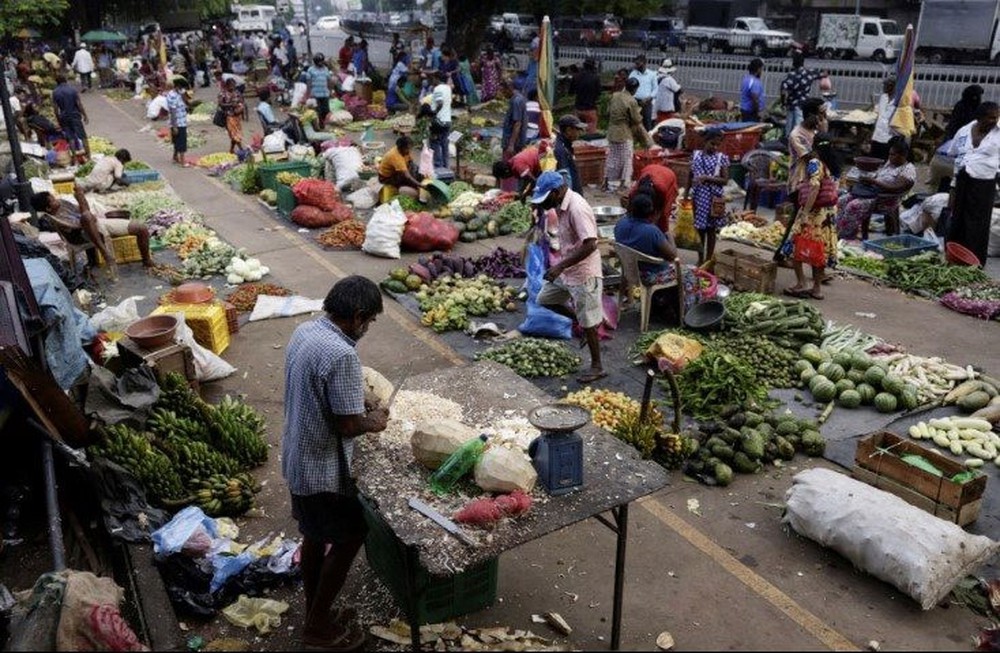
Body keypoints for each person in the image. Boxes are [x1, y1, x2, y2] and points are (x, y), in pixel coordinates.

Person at [281, 275, 388, 652]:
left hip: (297, 456)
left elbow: (321, 392)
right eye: (370, 321)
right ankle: (316, 630)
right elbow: (347, 425)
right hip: (322, 466)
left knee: (314, 533)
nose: (368, 328)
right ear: (357, 316)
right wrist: (372, 421)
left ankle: (317, 611)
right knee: (349, 536)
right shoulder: (342, 354)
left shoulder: (306, 331)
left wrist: (360, 403)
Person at [531, 172, 606, 384]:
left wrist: (560, 266)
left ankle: (597, 366)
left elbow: (591, 244)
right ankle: (579, 322)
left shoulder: (577, 208)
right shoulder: (560, 205)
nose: (544, 204)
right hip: (568, 270)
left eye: (545, 199)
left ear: (556, 192)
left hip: (584, 272)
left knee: (589, 321)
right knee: (546, 298)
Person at [31, 185, 153, 272]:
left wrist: (81, 199)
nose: (56, 199)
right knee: (87, 217)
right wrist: (80, 197)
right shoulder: (56, 218)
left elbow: (85, 211)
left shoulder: (62, 203)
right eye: (52, 200)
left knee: (141, 228)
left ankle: (147, 261)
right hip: (82, 235)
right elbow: (84, 222)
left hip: (98, 225)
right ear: (48, 208)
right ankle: (104, 251)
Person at [613, 191, 699, 316]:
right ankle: (688, 314)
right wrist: (669, 235)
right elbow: (673, 256)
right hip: (649, 276)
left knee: (675, 270)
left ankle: (660, 304)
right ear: (651, 212)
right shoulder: (651, 231)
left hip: (629, 272)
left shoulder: (621, 224)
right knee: (689, 272)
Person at [781, 133, 840, 300]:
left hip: (813, 213)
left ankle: (801, 283)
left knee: (795, 245)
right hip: (827, 214)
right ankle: (817, 288)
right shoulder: (832, 164)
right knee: (819, 251)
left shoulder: (815, 163)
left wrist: (805, 212)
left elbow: (814, 187)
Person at [947, 101, 1000, 267]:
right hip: (963, 180)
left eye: (996, 117)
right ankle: (955, 258)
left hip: (984, 184)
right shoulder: (964, 130)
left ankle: (974, 263)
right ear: (980, 118)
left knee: (978, 224)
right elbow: (953, 152)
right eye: (991, 117)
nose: (994, 120)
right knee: (958, 219)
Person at [836, 139, 915, 240]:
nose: (889, 157)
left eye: (892, 155)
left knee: (853, 206)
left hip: (884, 199)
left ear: (902, 156)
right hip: (870, 193)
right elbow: (879, 175)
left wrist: (874, 182)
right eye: (889, 154)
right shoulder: (891, 163)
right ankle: (836, 229)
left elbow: (895, 187)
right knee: (842, 200)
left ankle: (846, 235)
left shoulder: (908, 170)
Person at [605, 77, 656, 192]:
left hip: (612, 131)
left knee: (612, 159)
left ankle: (609, 182)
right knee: (626, 160)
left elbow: (608, 112)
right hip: (624, 133)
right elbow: (636, 119)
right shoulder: (631, 100)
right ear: (635, 89)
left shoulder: (615, 95)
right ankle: (624, 184)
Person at [687, 129, 730, 264]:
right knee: (700, 229)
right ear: (705, 141)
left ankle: (709, 259)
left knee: (711, 230)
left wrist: (707, 178)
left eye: (717, 145)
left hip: (714, 199)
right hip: (699, 197)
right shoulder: (695, 155)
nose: (715, 147)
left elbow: (725, 180)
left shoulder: (721, 158)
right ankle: (700, 258)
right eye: (712, 144)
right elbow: (690, 175)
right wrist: (685, 193)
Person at [780, 51, 826, 138]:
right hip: (802, 106)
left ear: (793, 63)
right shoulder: (809, 73)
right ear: (803, 62)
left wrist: (783, 103)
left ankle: (787, 148)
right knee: (799, 131)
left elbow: (783, 91)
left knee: (789, 131)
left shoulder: (790, 76)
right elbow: (822, 74)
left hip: (791, 106)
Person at [628, 163, 678, 235]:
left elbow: (662, 210)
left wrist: (662, 229)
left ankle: (662, 235)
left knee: (663, 215)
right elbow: (629, 210)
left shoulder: (662, 190)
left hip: (668, 176)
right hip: (649, 170)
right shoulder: (634, 192)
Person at [52, 73, 90, 162]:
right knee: (83, 136)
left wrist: (58, 120)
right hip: (75, 115)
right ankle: (88, 156)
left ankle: (74, 158)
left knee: (70, 138)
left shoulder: (55, 92)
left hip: (64, 117)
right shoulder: (72, 90)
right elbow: (79, 104)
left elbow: (55, 109)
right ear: (65, 80)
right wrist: (85, 115)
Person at [554, 114, 586, 194]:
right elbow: (565, 177)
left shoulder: (566, 145)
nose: (579, 132)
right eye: (577, 129)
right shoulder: (561, 150)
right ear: (568, 130)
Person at [870, 77, 898, 160]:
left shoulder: (898, 100)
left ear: (891, 86)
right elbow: (879, 113)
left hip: (890, 134)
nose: (884, 87)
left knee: (885, 158)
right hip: (878, 133)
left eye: (886, 85)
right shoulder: (883, 97)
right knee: (874, 158)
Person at [429, 71, 452, 169]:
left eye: (433, 78)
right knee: (444, 144)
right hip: (447, 120)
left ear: (437, 78)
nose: (432, 80)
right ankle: (446, 166)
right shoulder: (448, 88)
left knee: (435, 142)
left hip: (439, 120)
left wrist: (433, 113)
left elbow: (440, 103)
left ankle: (438, 166)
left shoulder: (437, 88)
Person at [166, 77, 192, 167]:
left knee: (176, 141)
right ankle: (183, 161)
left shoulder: (180, 93)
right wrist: (175, 126)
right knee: (181, 142)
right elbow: (173, 111)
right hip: (177, 122)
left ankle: (175, 157)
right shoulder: (172, 95)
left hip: (182, 120)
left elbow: (188, 100)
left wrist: (183, 94)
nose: (182, 89)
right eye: (181, 87)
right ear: (177, 86)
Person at [571, 59, 601, 134]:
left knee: (576, 132)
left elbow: (571, 92)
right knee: (590, 134)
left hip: (578, 108)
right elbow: (599, 93)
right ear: (593, 67)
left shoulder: (576, 76)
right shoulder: (596, 78)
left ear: (584, 66)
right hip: (590, 109)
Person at [628, 54, 657, 131]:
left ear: (644, 63)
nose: (636, 65)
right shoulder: (633, 74)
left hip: (647, 102)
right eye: (636, 63)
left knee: (647, 123)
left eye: (638, 63)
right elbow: (628, 87)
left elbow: (655, 89)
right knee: (633, 122)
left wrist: (650, 97)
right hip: (635, 102)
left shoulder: (651, 74)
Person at [305, 53, 334, 126]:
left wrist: (330, 91)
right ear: (315, 61)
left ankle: (322, 121)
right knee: (318, 110)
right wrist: (309, 93)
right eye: (319, 61)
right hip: (315, 94)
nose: (321, 63)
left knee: (326, 110)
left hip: (325, 93)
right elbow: (309, 82)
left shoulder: (325, 69)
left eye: (322, 61)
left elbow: (329, 80)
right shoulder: (310, 70)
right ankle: (320, 124)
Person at [218, 77, 245, 154]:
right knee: (234, 133)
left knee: (236, 133)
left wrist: (240, 108)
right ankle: (241, 149)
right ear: (227, 85)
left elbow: (241, 101)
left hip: (237, 116)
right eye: (231, 85)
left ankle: (231, 150)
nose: (232, 87)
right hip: (229, 116)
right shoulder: (223, 93)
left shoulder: (237, 93)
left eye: (234, 85)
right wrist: (230, 105)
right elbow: (220, 104)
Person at [501, 79, 527, 160]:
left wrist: (511, 144)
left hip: (514, 141)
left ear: (509, 89)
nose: (503, 94)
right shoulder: (518, 98)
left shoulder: (516, 101)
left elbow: (517, 124)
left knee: (509, 164)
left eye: (504, 92)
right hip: (515, 140)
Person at [653, 58, 681, 123]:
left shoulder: (657, 77)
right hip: (667, 107)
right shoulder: (669, 79)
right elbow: (677, 89)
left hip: (657, 105)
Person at [740, 58, 765, 122]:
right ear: (758, 69)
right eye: (762, 69)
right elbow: (755, 98)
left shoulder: (746, 79)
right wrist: (757, 112)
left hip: (744, 109)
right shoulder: (755, 82)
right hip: (751, 112)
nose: (762, 71)